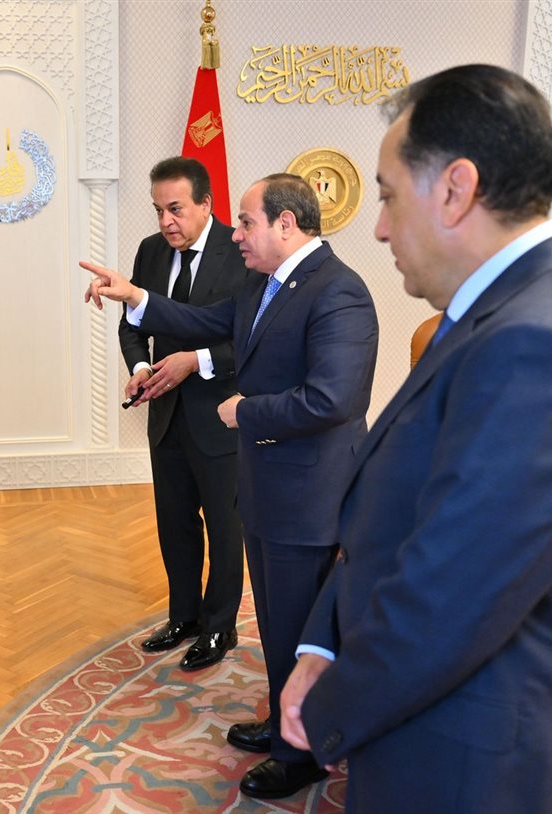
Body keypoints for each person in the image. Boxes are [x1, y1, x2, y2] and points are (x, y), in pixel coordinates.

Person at [281, 64, 552, 814]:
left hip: (478, 775)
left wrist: (324, 712)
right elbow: (394, 512)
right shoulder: (503, 316)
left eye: (388, 195)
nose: (380, 226)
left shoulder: (548, 348)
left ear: (456, 190)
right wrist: (324, 641)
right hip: (438, 740)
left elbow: (448, 599)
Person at [83, 173, 378, 800]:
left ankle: (301, 754)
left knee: (301, 626)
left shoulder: (339, 292)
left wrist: (245, 411)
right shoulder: (261, 283)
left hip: (308, 495)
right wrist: (134, 295)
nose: (236, 233)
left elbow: (333, 399)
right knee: (276, 622)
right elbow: (197, 319)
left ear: (286, 224)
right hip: (268, 486)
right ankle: (283, 719)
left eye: (245, 222)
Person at [119, 157, 249, 671]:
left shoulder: (240, 252)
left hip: (219, 417)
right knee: (174, 524)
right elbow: (132, 324)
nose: (165, 222)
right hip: (166, 415)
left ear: (205, 204)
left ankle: (220, 628)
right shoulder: (150, 251)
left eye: (175, 209)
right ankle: (184, 617)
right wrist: (141, 367)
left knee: (224, 527)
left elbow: (250, 341)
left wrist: (195, 362)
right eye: (158, 210)